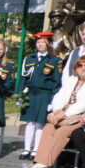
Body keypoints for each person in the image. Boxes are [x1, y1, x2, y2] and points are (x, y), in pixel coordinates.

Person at [28, 55, 85, 168]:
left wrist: (65, 114)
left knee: (62, 132)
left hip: (78, 116)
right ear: (76, 67)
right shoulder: (72, 79)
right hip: (62, 114)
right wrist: (58, 110)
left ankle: (48, 164)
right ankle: (40, 162)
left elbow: (83, 104)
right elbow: (59, 96)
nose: (83, 68)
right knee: (48, 128)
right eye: (81, 65)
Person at [19, 31, 62, 160]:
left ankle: (36, 149)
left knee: (39, 123)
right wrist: (20, 96)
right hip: (30, 94)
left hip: (44, 95)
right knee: (30, 122)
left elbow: (57, 82)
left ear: (48, 43)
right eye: (38, 42)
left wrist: (51, 101)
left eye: (43, 42)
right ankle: (27, 149)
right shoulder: (29, 58)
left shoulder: (55, 60)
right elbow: (23, 78)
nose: (40, 44)